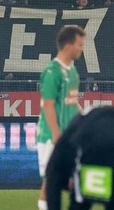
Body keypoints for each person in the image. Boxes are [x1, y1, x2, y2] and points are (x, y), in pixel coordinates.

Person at [44, 106, 114, 210]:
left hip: (99, 133)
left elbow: (52, 178)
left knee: (82, 202)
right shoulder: (75, 130)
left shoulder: (62, 152)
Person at [37, 25, 86, 210]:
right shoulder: (52, 72)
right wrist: (57, 135)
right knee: (49, 184)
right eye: (79, 44)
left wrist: (85, 119)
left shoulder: (72, 70)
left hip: (69, 138)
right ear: (68, 45)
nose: (82, 48)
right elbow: (47, 105)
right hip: (51, 138)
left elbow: (72, 102)